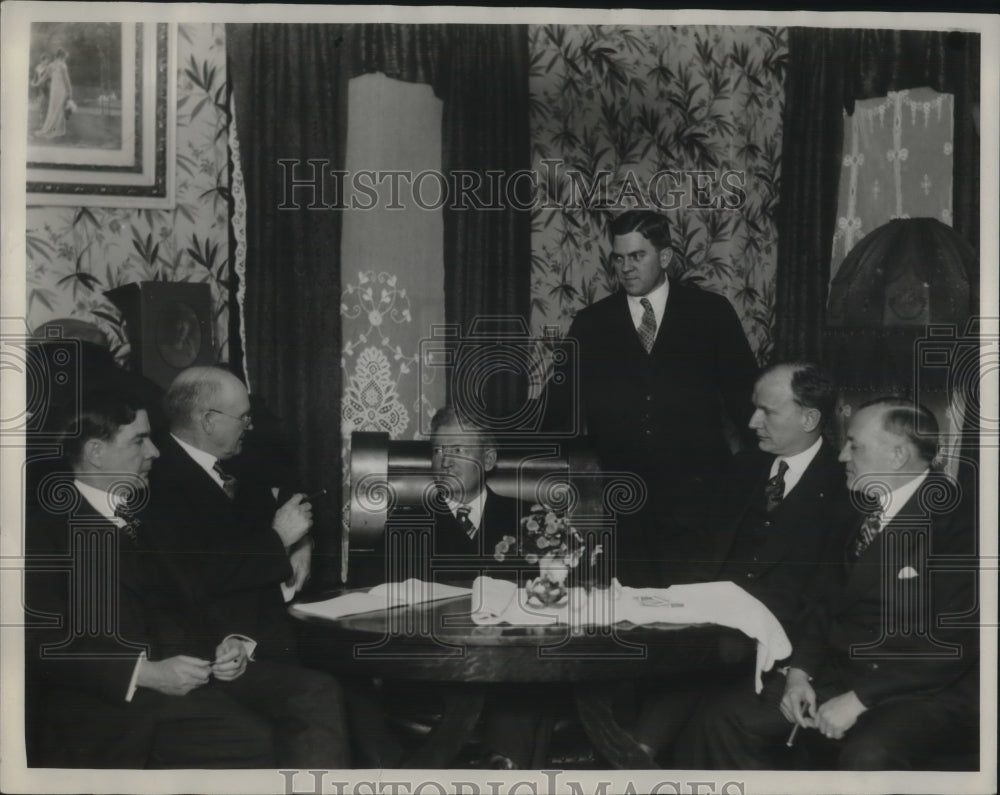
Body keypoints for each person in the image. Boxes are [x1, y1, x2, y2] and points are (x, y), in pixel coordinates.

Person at [24, 392, 347, 768]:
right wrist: (144, 672)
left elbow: (188, 598)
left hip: (187, 670)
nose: (155, 452)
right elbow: (39, 643)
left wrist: (227, 644)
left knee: (315, 692)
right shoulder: (42, 533)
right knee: (255, 740)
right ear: (96, 452)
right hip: (111, 700)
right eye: (138, 441)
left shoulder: (148, 516)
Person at [682, 397, 978, 770]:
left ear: (898, 455)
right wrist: (799, 674)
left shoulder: (962, 525)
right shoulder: (855, 509)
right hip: (839, 675)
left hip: (921, 692)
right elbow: (822, 604)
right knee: (723, 719)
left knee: (868, 756)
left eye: (854, 445)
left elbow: (954, 644)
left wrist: (861, 699)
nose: (842, 457)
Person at [630, 361, 852, 761]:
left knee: (694, 678)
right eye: (754, 408)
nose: (752, 422)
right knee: (657, 655)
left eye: (767, 411)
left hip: (776, 643)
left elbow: (829, 595)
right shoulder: (743, 467)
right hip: (709, 630)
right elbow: (700, 552)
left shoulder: (843, 488)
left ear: (810, 417)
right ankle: (634, 756)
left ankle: (633, 756)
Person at [548, 209, 758, 587]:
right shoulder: (591, 324)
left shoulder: (711, 315)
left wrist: (763, 474)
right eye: (619, 257)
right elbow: (555, 409)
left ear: (664, 257)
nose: (626, 268)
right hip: (625, 505)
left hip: (700, 502)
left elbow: (747, 404)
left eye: (637, 256)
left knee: (694, 619)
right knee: (634, 618)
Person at [348, 407, 542, 769]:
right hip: (431, 672)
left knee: (522, 695)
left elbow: (560, 594)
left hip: (511, 672)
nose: (445, 461)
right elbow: (362, 592)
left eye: (458, 450)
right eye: (438, 450)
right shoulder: (408, 520)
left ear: (488, 459)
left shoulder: (528, 518)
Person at [148, 366, 314, 662]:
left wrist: (302, 544)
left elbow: (285, 496)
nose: (249, 425)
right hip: (219, 647)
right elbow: (203, 572)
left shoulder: (237, 460)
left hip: (268, 621)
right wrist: (280, 539)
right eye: (243, 417)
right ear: (208, 420)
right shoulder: (156, 480)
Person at [35, 48, 72, 139]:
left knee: (53, 108)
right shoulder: (63, 65)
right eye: (65, 56)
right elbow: (66, 80)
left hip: (54, 90)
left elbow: (44, 77)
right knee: (59, 109)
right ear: (62, 56)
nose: (66, 58)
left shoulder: (51, 65)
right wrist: (70, 91)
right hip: (61, 89)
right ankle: (57, 131)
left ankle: (58, 130)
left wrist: (37, 83)